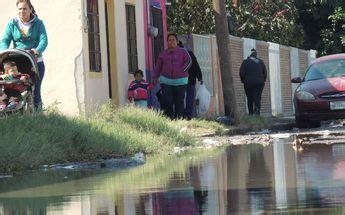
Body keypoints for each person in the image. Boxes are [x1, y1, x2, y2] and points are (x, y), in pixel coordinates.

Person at [0, 0, 48, 110]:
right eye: (20, 9)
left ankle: (37, 113)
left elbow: (43, 40)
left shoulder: (38, 23)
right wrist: (4, 50)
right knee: (12, 86)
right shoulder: (12, 23)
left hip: (34, 60)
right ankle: (13, 110)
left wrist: (37, 50)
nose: (22, 11)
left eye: (25, 8)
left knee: (35, 89)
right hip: (16, 61)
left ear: (30, 9)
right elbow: (5, 39)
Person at [153, 33, 191, 119]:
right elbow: (158, 66)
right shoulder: (163, 54)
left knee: (179, 101)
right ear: (167, 42)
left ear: (177, 41)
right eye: (169, 40)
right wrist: (155, 77)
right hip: (166, 82)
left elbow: (189, 61)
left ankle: (179, 119)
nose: (171, 42)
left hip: (181, 81)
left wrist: (182, 71)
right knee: (167, 101)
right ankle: (169, 119)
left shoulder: (183, 51)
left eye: (173, 40)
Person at [178, 41, 203, 120]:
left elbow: (195, 65)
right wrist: (200, 77)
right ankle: (186, 115)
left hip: (185, 81)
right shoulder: (188, 53)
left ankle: (184, 115)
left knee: (183, 98)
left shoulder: (186, 54)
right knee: (187, 99)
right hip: (186, 80)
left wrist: (200, 77)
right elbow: (196, 66)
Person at [239, 48, 267, 115]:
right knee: (257, 98)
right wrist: (263, 80)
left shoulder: (245, 62)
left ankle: (251, 114)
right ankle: (257, 114)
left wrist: (243, 81)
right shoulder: (261, 62)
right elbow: (265, 73)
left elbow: (241, 73)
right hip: (259, 83)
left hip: (248, 83)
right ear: (256, 55)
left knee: (250, 98)